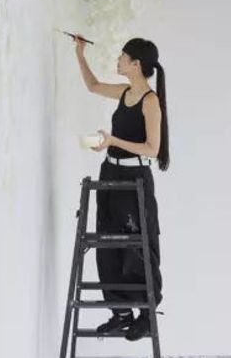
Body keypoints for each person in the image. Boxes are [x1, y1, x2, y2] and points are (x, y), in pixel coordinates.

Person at [72, 34, 170, 341]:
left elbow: (153, 149)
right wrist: (80, 53)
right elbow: (93, 86)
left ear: (136, 64)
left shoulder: (150, 101)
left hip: (134, 182)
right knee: (107, 244)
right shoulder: (125, 92)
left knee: (135, 247)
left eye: (122, 57)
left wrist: (114, 141)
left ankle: (145, 314)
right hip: (111, 174)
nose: (118, 61)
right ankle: (121, 313)